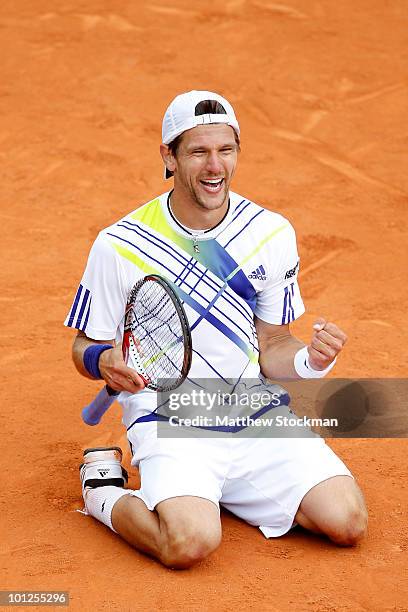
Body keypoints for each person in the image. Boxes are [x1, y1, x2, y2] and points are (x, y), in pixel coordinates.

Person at [65, 90, 367, 569]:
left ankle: (210, 489)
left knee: (347, 522)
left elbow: (274, 344)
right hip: (168, 414)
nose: (214, 167)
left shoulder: (270, 233)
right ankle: (103, 489)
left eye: (226, 151)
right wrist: (100, 360)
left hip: (251, 409)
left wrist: (311, 361)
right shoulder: (119, 244)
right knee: (188, 544)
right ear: (168, 155)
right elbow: (83, 345)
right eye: (198, 152)